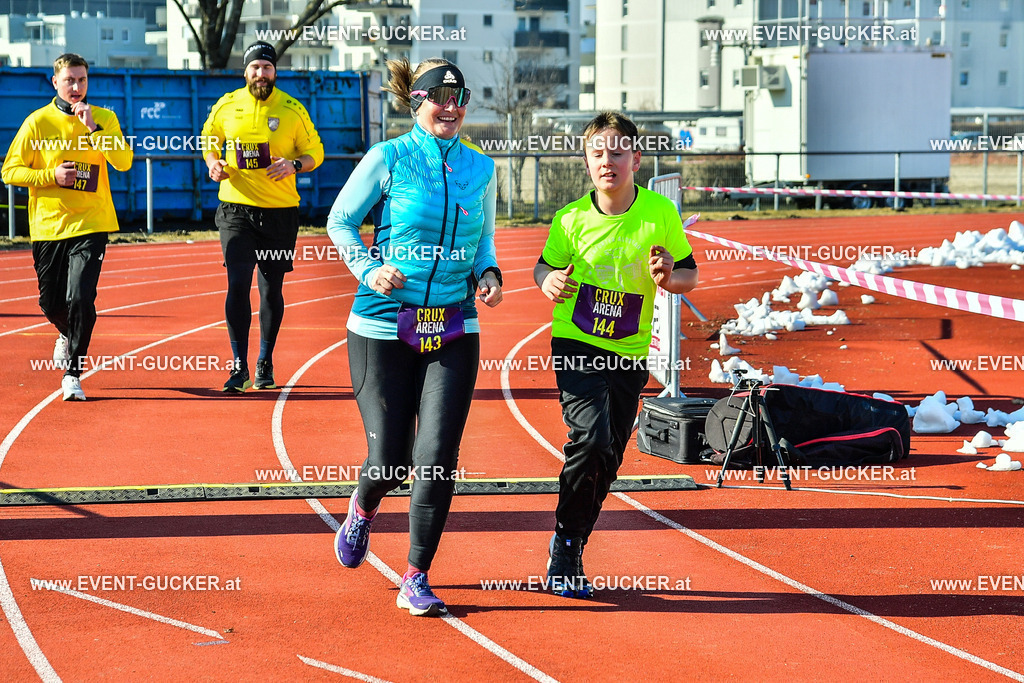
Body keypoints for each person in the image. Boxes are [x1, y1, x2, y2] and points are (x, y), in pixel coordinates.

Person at [326, 57, 502, 617]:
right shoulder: (389, 158)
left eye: (459, 96)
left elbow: (483, 245)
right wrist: (368, 268)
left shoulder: (481, 169)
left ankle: (416, 574)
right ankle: (363, 505)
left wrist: (488, 277)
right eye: (438, 96)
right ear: (416, 102)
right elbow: (339, 220)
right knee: (392, 460)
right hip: (382, 324)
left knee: (437, 455)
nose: (449, 106)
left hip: (452, 326)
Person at [533, 112, 699, 598]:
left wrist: (670, 274)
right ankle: (566, 545)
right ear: (587, 162)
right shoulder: (570, 219)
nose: (609, 161)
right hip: (577, 343)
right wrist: (548, 281)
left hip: (628, 350)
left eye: (618, 151)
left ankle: (574, 535)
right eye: (598, 152)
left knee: (610, 453)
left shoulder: (658, 215)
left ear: (636, 158)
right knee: (590, 436)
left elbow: (689, 275)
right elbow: (544, 266)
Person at [2, 53, 133, 401]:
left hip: (92, 222)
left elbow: (123, 162)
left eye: (83, 80)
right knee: (50, 302)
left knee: (81, 297)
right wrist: (51, 176)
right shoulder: (37, 122)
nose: (77, 87)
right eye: (70, 80)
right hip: (48, 227)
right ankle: (67, 332)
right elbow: (10, 171)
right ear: (55, 82)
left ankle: (72, 372)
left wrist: (95, 130)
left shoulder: (104, 118)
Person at [201, 41, 324, 392]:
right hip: (235, 209)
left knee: (271, 290)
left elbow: (316, 150)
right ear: (245, 72)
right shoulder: (227, 104)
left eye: (267, 68)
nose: (261, 74)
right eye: (255, 67)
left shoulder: (291, 109)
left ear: (275, 72)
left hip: (280, 214)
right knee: (238, 283)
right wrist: (213, 163)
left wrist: (294, 164)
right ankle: (238, 366)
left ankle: (265, 361)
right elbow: (208, 138)